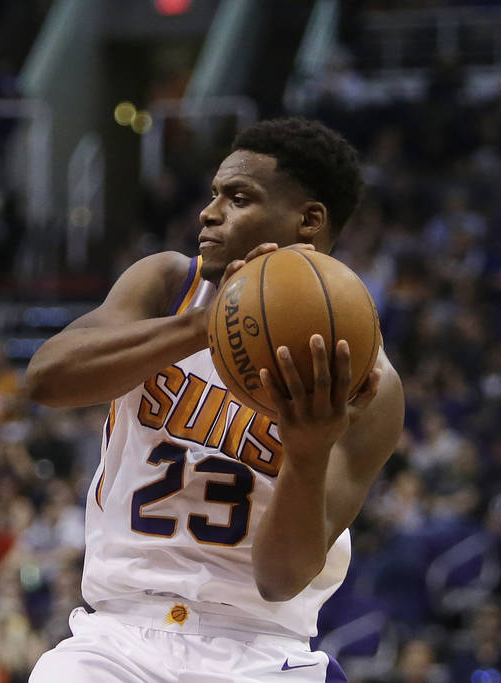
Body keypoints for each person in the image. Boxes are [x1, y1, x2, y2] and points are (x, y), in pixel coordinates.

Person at [26, 117, 405, 682]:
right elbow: (46, 380)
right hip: (119, 638)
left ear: (309, 220)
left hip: (262, 648)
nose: (209, 212)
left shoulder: (367, 384)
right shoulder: (168, 284)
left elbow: (280, 578)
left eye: (238, 198)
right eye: (214, 194)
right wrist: (203, 326)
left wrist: (306, 455)